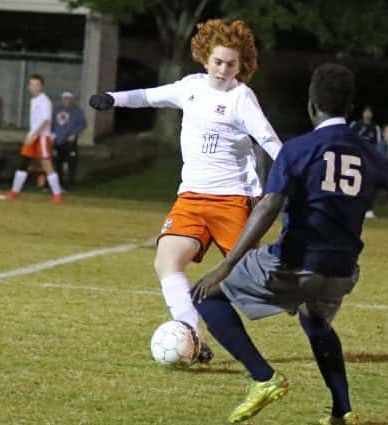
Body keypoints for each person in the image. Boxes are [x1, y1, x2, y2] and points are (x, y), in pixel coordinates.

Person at [191, 63, 388, 425]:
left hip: (295, 263)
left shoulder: (297, 149)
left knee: (204, 295)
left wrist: (227, 265)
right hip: (342, 272)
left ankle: (263, 379)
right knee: (315, 322)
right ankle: (342, 411)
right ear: (349, 106)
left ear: (312, 105)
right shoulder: (368, 152)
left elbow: (269, 205)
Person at [88, 19, 282, 362]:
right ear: (205, 57)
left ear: (242, 66)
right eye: (218, 61)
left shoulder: (241, 98)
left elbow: (268, 140)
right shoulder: (190, 87)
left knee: (253, 282)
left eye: (231, 64)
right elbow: (150, 96)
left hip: (233, 200)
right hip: (191, 198)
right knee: (167, 262)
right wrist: (112, 99)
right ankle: (192, 335)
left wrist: (296, 173)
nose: (223, 69)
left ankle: (307, 292)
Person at [0, 75, 63, 202]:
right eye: (31, 84)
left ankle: (57, 195)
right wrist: (31, 135)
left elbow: (46, 121)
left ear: (41, 86)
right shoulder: (34, 100)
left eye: (36, 84)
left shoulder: (45, 101)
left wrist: (35, 135)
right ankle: (13, 193)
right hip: (33, 136)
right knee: (23, 162)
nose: (33, 87)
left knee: (46, 164)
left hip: (42, 137)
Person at [351, 109, 388, 220]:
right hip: (377, 172)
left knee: (385, 190)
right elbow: (382, 159)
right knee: (375, 190)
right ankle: (368, 211)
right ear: (383, 133)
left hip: (381, 173)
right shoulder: (381, 145)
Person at [51, 91, 87, 188]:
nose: (66, 100)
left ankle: (70, 184)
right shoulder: (56, 110)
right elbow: (52, 124)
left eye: (68, 98)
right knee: (57, 163)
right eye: (64, 98)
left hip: (69, 141)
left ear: (72, 99)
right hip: (57, 141)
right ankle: (59, 184)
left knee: (71, 162)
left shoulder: (76, 111)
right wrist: (52, 135)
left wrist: (75, 134)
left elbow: (82, 124)